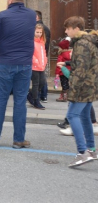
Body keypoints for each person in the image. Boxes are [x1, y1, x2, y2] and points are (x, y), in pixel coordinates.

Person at [0, 0, 36, 149]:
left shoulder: (2, 16)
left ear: (9, 0)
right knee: (20, 102)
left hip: (6, 61)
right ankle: (18, 139)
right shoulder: (31, 15)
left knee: (0, 100)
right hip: (24, 64)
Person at [56, 16, 98, 167]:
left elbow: (80, 69)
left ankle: (82, 152)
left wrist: (73, 87)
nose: (66, 31)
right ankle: (92, 150)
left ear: (77, 29)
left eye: (68, 28)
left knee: (72, 115)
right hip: (91, 85)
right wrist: (67, 63)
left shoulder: (81, 44)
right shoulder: (89, 41)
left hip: (82, 86)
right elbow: (87, 61)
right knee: (85, 117)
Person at [28, 23, 47, 110]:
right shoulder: (32, 42)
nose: (39, 34)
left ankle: (30, 95)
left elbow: (43, 53)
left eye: (40, 32)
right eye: (37, 32)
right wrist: (35, 61)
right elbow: (31, 54)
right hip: (34, 66)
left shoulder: (42, 42)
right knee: (36, 83)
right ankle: (36, 100)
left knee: (42, 82)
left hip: (41, 66)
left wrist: (44, 61)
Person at [35, 10, 51, 102]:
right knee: (41, 76)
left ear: (36, 17)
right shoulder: (46, 28)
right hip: (42, 54)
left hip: (38, 55)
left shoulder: (37, 28)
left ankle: (37, 95)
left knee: (38, 77)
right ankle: (43, 95)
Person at [55, 38, 72, 102]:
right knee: (67, 83)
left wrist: (57, 73)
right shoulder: (70, 53)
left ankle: (64, 97)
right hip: (69, 72)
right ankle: (65, 95)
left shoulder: (61, 55)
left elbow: (58, 65)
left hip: (62, 72)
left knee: (64, 84)